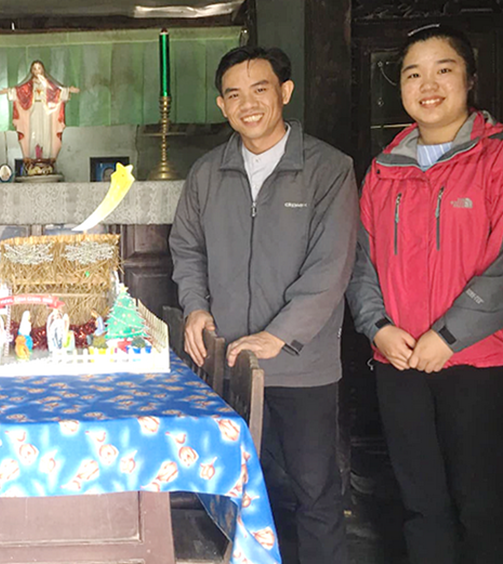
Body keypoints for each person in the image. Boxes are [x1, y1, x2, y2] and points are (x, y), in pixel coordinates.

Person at [346, 24, 503, 564]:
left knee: (483, 506)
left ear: (470, 80)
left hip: (483, 363)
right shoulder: (384, 170)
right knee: (420, 506)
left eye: (444, 70)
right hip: (400, 360)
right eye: (414, 73)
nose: (428, 84)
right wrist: (378, 327)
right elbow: (360, 262)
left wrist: (449, 336)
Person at [169, 45, 357, 564]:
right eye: (234, 94)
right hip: (228, 362)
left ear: (285, 93)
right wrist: (196, 307)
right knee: (245, 492)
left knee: (315, 492)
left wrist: (278, 335)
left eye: (260, 89)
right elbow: (186, 249)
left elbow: (332, 265)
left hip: (302, 365)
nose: (248, 104)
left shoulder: (328, 169)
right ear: (221, 105)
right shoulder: (208, 173)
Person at [0, 60, 79, 174]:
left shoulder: (48, 84)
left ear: (43, 70)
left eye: (39, 68)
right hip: (33, 110)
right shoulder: (29, 85)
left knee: (46, 133)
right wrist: (9, 91)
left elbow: (58, 92)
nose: (37, 71)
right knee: (32, 132)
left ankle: (47, 156)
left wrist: (68, 90)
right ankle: (32, 157)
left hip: (46, 112)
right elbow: (19, 91)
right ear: (31, 71)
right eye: (35, 68)